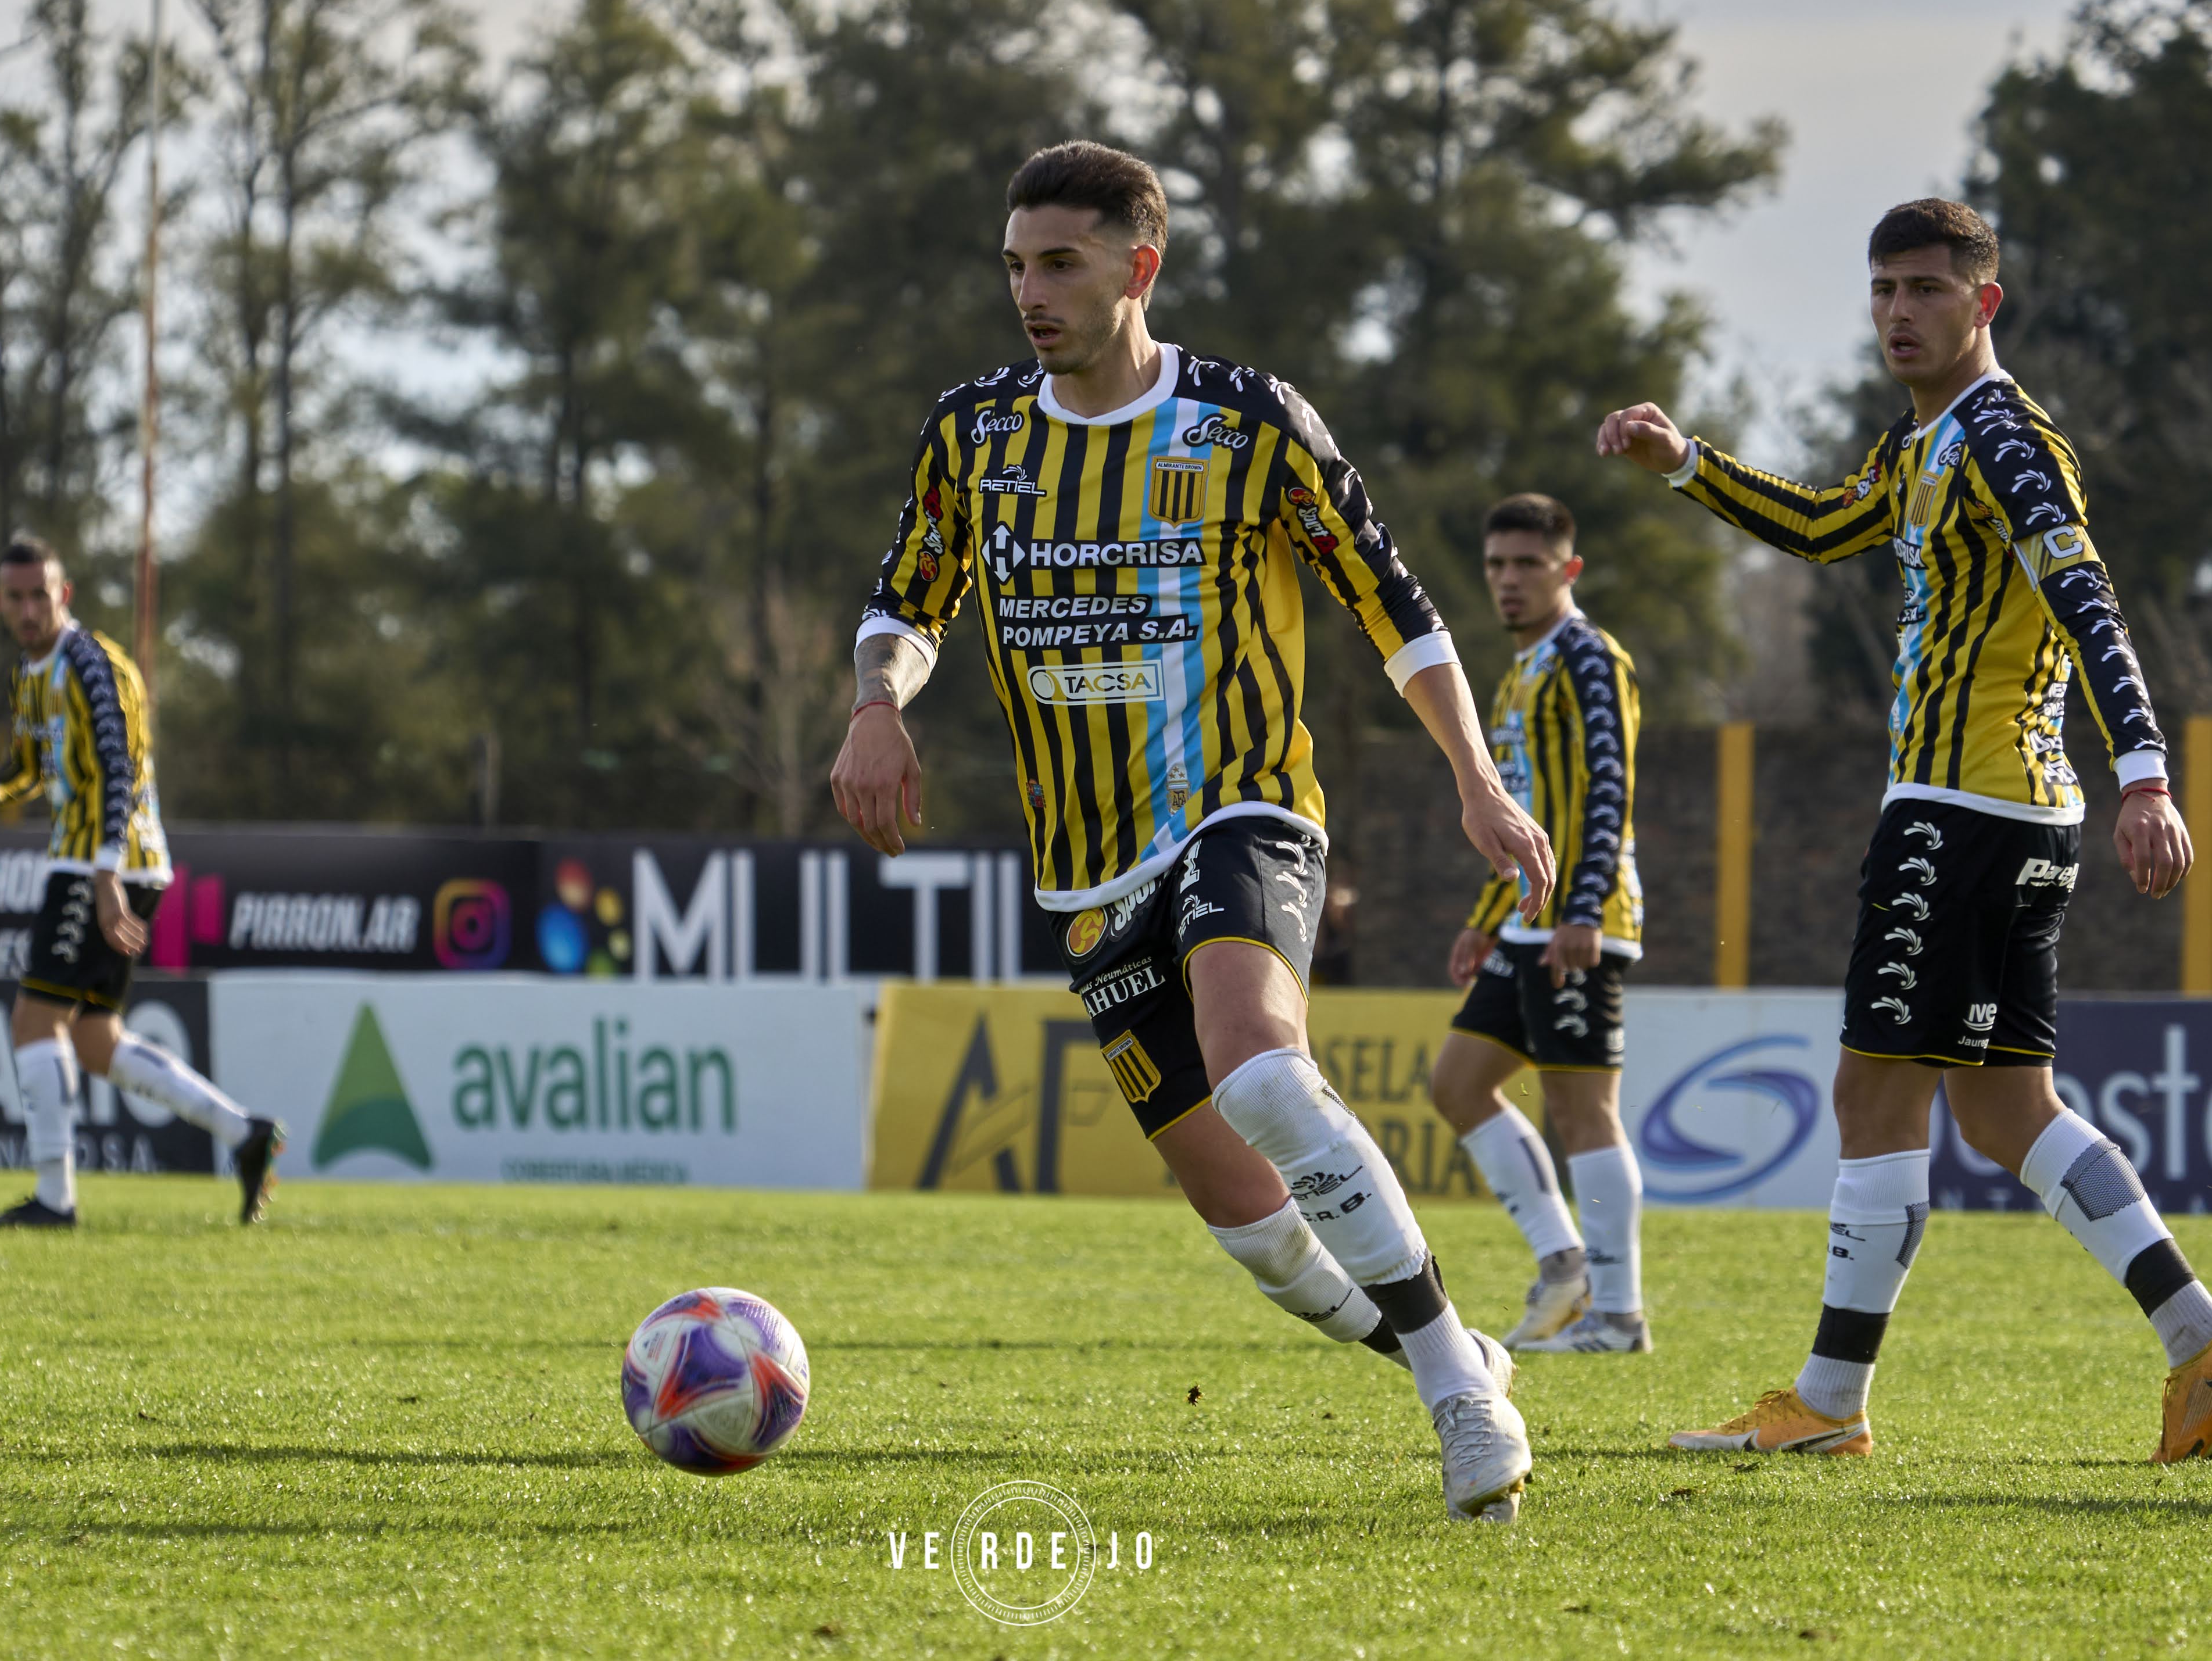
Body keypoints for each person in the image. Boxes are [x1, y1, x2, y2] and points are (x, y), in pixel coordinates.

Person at [831, 139, 1559, 1520]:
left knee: (1266, 1078)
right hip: (1084, 866)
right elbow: (908, 596)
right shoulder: (974, 430)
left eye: (1060, 263)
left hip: (1243, 800)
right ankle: (1455, 1346)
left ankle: (1460, 1408)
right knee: (1250, 1228)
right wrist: (877, 705)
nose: (1029, 292)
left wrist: (1473, 773)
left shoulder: (1247, 420)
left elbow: (1392, 603)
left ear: (1138, 268)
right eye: (1014, 264)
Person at [1596, 199, 2212, 1463]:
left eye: (1925, 290)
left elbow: (2081, 590)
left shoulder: (1996, 434)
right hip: (2010, 812)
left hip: (1959, 809)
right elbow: (1826, 526)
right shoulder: (1919, 440)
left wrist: (2144, 773)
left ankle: (1826, 1401)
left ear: (1981, 303)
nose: (1896, 313)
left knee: (1870, 1086)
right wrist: (1687, 462)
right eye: (1882, 290)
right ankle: (2197, 1342)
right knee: (2002, 1112)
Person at [0, 537, 285, 1229]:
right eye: (16, 597)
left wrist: (104, 880)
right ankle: (245, 1134)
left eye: (42, 594)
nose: (29, 608)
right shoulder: (28, 672)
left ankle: (54, 1200)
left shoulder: (93, 665)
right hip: (105, 864)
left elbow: (119, 773)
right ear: (0, 601)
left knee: (34, 1020)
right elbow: (31, 765)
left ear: (64, 594)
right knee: (95, 1041)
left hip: (105, 863)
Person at [1429, 494, 1649, 1355]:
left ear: (1568, 569)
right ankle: (1564, 1265)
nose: (1507, 581)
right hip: (1524, 923)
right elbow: (1517, 809)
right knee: (1456, 1084)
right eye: (1495, 566)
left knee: (1581, 1111)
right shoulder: (1518, 667)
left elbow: (1607, 790)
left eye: (1526, 564)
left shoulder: (1590, 658)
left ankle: (1618, 1314)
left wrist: (1584, 909)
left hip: (1580, 923)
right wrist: (1486, 917)